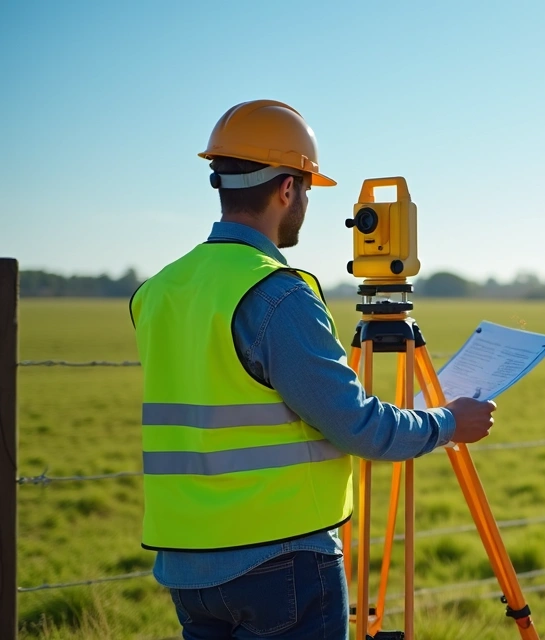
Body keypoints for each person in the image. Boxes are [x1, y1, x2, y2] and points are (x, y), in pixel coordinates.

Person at [129, 99, 497, 639]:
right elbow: (358, 426)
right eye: (305, 189)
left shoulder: (158, 291)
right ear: (286, 189)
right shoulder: (278, 295)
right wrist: (448, 422)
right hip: (280, 564)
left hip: (187, 567)